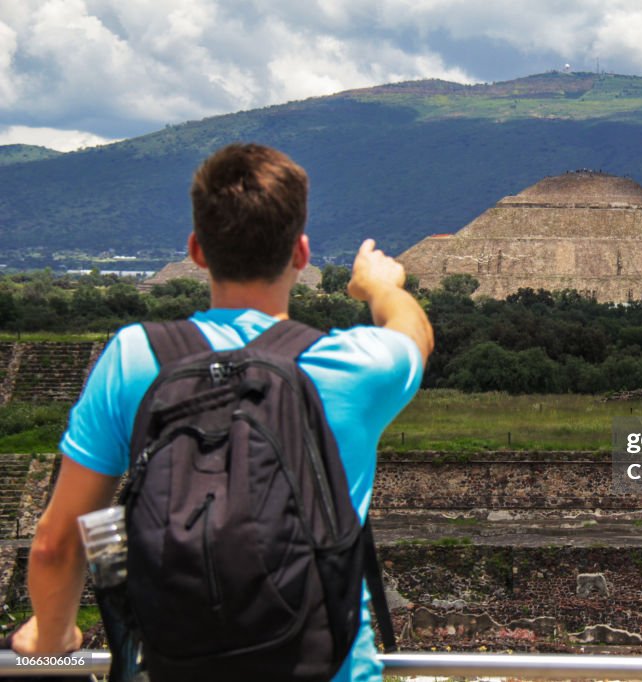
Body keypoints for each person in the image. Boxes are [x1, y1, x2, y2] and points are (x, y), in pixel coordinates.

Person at [11, 143, 433, 682]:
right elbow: (415, 335)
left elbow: (57, 543)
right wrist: (379, 287)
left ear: (196, 249)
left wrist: (51, 641)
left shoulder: (136, 356)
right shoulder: (349, 366)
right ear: (300, 254)